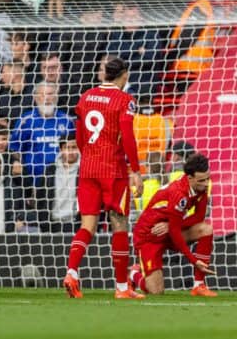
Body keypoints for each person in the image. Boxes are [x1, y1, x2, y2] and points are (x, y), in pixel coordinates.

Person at [63, 56, 145, 300]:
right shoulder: (125, 100)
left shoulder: (86, 96)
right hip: (113, 170)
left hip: (87, 167)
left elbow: (79, 135)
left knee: (87, 225)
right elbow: (128, 137)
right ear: (125, 75)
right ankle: (122, 288)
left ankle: (72, 272)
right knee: (119, 223)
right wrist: (136, 171)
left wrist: (88, 155)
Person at [131, 153, 217, 296]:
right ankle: (134, 274)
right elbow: (175, 232)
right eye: (202, 180)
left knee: (205, 229)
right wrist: (193, 260)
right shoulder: (179, 194)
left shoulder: (201, 186)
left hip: (170, 229)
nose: (206, 183)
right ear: (190, 178)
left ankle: (199, 286)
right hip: (149, 236)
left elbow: (199, 217)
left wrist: (171, 224)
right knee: (156, 291)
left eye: (208, 178)